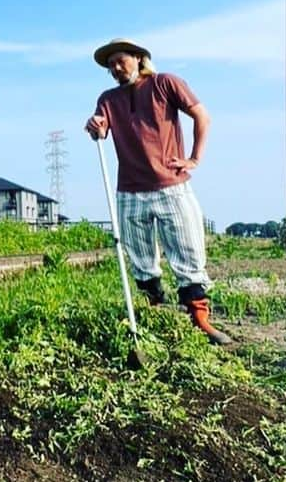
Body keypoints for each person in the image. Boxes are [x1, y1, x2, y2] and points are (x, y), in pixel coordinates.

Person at [85, 37, 232, 346]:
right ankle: (156, 309)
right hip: (129, 191)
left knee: (189, 250)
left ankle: (200, 318)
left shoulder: (166, 83)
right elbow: (101, 125)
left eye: (120, 60)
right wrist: (95, 125)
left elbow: (202, 116)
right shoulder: (108, 98)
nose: (115, 67)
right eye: (110, 64)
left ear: (139, 58)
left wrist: (193, 158)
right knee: (139, 256)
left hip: (171, 186)